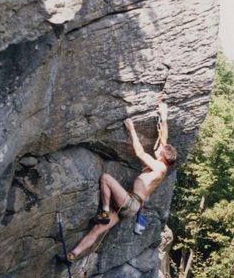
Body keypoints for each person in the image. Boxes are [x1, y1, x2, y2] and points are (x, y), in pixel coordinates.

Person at [56, 102, 177, 265]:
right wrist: (164, 115)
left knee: (106, 178)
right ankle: (72, 255)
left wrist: (131, 129)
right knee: (97, 230)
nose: (157, 150)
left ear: (163, 157)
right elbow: (164, 139)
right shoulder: (163, 161)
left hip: (130, 202)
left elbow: (140, 152)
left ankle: (105, 212)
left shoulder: (160, 168)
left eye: (159, 152)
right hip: (129, 205)